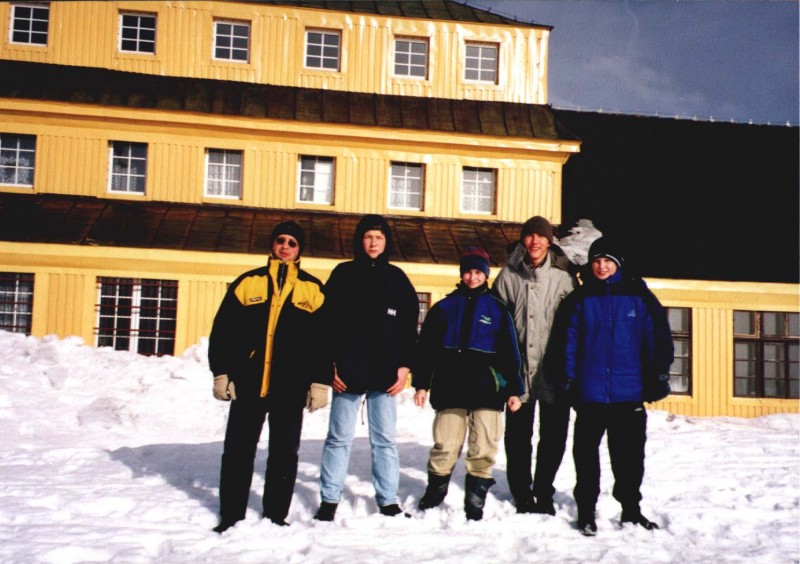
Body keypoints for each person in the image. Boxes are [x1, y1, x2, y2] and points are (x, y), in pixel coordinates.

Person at [208, 221, 332, 533]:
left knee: (284, 453)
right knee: (238, 451)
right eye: (281, 240)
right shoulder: (248, 282)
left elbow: (323, 341)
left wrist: (320, 382)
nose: (285, 247)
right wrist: (221, 372)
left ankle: (276, 514)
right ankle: (231, 515)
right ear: (272, 244)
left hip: (290, 384)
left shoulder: (313, 289)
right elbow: (223, 331)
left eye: (292, 242)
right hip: (248, 382)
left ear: (299, 249)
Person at [564, 236, 673, 536]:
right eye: (597, 261)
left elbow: (657, 339)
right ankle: (586, 511)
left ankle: (631, 510)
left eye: (607, 261)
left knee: (629, 458)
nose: (601, 267)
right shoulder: (581, 299)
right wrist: (568, 379)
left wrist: (658, 376)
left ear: (618, 264)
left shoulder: (639, 296)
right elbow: (568, 342)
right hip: (590, 394)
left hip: (629, 393)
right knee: (586, 457)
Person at [314, 214, 419, 521]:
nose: (373, 243)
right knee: (338, 438)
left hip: (385, 373)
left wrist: (405, 366)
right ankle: (329, 499)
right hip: (347, 372)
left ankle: (388, 500)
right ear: (360, 240)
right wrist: (328, 365)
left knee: (384, 440)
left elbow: (409, 327)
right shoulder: (343, 274)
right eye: (368, 237)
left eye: (379, 238)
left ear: (386, 242)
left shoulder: (397, 278)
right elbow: (325, 323)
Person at [413, 248, 524, 521]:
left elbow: (510, 353)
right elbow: (426, 350)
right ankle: (435, 491)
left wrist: (514, 389)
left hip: (487, 389)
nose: (473, 277)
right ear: (461, 274)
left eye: (478, 272)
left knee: (483, 445)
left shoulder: (497, 309)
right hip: (450, 387)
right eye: (468, 272)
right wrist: (422, 384)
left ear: (485, 275)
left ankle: (475, 498)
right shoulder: (444, 308)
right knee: (445, 443)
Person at [492, 216, 576, 515]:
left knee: (553, 437)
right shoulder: (508, 276)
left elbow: (576, 325)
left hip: (554, 372)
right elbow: (497, 326)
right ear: (523, 240)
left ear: (549, 241)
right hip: (519, 373)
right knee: (517, 438)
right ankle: (522, 492)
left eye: (541, 236)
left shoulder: (564, 278)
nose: (535, 242)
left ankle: (543, 490)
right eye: (529, 236)